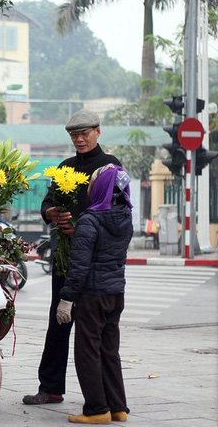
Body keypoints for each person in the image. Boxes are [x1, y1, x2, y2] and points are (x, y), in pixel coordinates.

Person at [23, 109, 122, 405]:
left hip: (95, 261)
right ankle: (51, 387)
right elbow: (48, 203)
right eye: (74, 135)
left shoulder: (111, 167)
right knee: (58, 322)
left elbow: (118, 215)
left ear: (98, 132)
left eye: (84, 133)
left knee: (96, 332)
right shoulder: (64, 168)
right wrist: (50, 213)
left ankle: (103, 397)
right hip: (65, 259)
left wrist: (81, 229)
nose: (79, 139)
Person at [58, 164, 132, 424]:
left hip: (92, 295)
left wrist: (66, 299)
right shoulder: (125, 217)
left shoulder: (90, 220)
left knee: (87, 351)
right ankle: (118, 407)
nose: (88, 187)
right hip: (115, 293)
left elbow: (79, 267)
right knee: (109, 350)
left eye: (91, 183)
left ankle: (97, 410)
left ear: (100, 188)